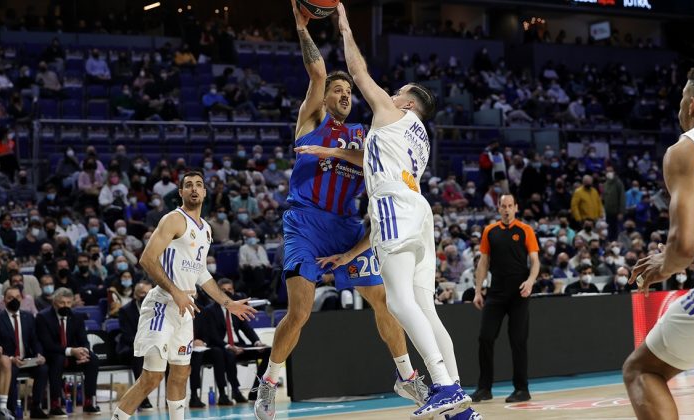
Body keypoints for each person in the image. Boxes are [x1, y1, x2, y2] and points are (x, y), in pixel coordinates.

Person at [295, 4, 477, 419]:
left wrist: (344, 26)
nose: (390, 96)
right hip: (418, 211)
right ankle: (460, 402)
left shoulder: (394, 113)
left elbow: (358, 74)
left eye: (399, 94)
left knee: (397, 302)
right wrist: (327, 149)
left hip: (394, 205)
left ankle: (444, 386)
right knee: (424, 307)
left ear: (408, 104)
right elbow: (368, 158)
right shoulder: (420, 137)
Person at [251, 5, 428, 420]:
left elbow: (367, 158)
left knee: (384, 301)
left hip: (347, 224)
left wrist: (339, 153)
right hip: (306, 223)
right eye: (339, 91)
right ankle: (270, 381)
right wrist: (301, 27)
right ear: (325, 97)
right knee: (300, 310)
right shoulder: (311, 119)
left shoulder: (365, 136)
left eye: (350, 92)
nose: (346, 95)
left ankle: (406, 375)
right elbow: (317, 72)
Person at [623, 64, 694, 420]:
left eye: (681, 98)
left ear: (691, 105)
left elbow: (686, 246)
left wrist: (664, 264)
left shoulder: (685, 149)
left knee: (642, 370)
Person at [110, 172, 257, 420]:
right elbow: (146, 259)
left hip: (185, 308)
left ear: (205, 192)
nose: (194, 189)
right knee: (152, 376)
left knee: (181, 373)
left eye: (199, 185)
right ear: (180, 192)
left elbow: (201, 273)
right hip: (162, 304)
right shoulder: (174, 219)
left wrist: (228, 303)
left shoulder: (207, 230)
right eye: (188, 185)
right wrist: (175, 291)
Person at [470, 194, 540, 404]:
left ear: (516, 207)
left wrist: (530, 281)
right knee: (485, 337)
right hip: (496, 292)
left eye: (510, 206)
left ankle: (522, 389)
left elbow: (535, 261)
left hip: (519, 292)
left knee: (518, 340)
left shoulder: (526, 230)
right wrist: (477, 290)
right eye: (503, 206)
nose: (507, 209)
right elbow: (483, 262)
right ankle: (484, 388)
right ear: (498, 208)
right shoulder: (490, 231)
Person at [36, 287, 100, 415]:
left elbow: (83, 339)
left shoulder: (76, 316)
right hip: (51, 355)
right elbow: (48, 345)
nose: (66, 306)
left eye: (68, 303)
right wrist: (71, 351)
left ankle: (89, 402)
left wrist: (84, 351)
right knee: (58, 359)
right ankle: (55, 404)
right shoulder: (43, 317)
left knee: (92, 358)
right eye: (62, 303)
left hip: (72, 355)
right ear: (54, 302)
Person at [0, 286, 49, 419]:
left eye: (17, 297)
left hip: (26, 359)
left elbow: (35, 340)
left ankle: (36, 407)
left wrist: (39, 354)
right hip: (8, 361)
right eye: (10, 298)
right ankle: (11, 409)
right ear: (4, 300)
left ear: (21, 298)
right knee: (12, 370)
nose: (14, 300)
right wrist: (10, 358)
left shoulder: (28, 317)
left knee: (43, 369)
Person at [116, 281, 154, 411]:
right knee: (138, 355)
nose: (146, 296)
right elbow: (127, 336)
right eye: (143, 293)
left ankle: (170, 398)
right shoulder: (125, 311)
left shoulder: (158, 308)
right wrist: (146, 344)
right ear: (135, 294)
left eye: (149, 293)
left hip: (152, 347)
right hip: (130, 348)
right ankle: (142, 397)